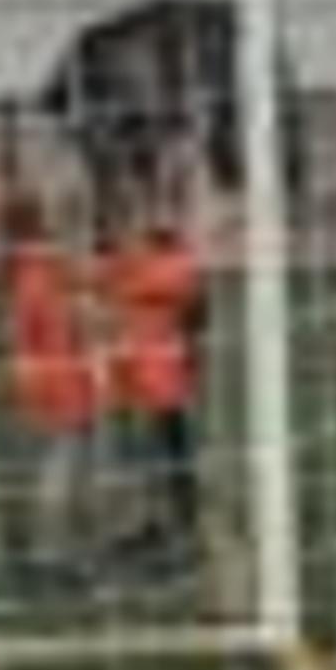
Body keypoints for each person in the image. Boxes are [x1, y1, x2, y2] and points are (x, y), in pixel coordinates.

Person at [99, 168, 205, 559]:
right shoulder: (137, 257)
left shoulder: (171, 263)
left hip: (161, 379)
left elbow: (191, 307)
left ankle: (177, 527)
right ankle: (147, 523)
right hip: (134, 375)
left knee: (170, 453)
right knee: (141, 454)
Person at [0, 183, 100, 572]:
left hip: (41, 383)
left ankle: (42, 541)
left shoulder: (28, 271)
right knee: (59, 469)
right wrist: (87, 311)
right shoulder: (42, 274)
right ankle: (49, 548)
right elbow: (68, 321)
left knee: (48, 466)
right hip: (60, 385)